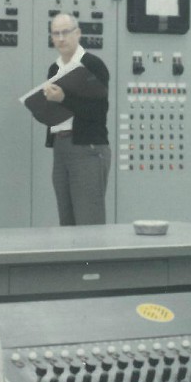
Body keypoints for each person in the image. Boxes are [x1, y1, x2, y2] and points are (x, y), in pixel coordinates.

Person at [42, 12, 111, 225]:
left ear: (78, 33)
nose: (61, 38)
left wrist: (64, 97)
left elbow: (98, 111)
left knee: (88, 221)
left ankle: (91, 260)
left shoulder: (92, 64)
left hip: (87, 148)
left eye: (65, 32)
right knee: (67, 221)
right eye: (56, 33)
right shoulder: (54, 68)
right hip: (61, 147)